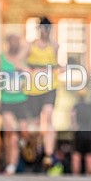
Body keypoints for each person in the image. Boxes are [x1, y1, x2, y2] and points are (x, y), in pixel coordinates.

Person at [25, 17, 59, 170]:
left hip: (50, 86)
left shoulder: (55, 45)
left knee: (48, 116)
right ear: (39, 29)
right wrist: (29, 70)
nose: (45, 32)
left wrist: (60, 68)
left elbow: (56, 63)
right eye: (43, 28)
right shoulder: (30, 46)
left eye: (48, 29)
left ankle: (48, 155)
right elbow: (19, 61)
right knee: (35, 124)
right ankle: (35, 148)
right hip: (32, 88)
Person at [0, 34, 29, 175]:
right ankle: (11, 164)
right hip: (6, 100)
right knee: (10, 133)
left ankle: (24, 144)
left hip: (21, 99)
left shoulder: (23, 59)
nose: (15, 43)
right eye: (12, 41)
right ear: (8, 42)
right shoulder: (0, 59)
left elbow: (31, 76)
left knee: (24, 133)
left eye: (17, 41)